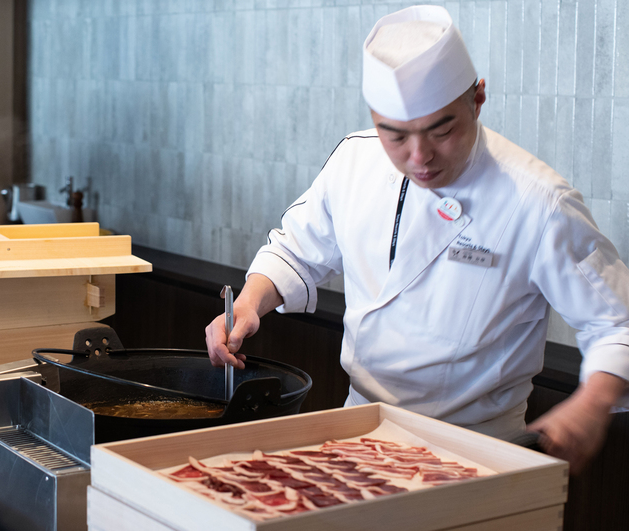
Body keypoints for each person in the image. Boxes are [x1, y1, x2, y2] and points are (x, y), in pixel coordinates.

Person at [204, 5, 629, 474]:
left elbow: (616, 326)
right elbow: (294, 251)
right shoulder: (354, 160)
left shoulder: (540, 202)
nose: (419, 156)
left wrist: (592, 403)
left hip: (476, 456)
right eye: (395, 135)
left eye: (442, 129)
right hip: (358, 440)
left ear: (478, 99)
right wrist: (247, 304)